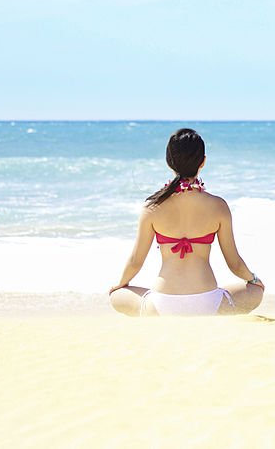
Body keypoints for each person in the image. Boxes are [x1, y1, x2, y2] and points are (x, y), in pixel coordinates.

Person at [108, 128, 264, 316]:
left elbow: (135, 262)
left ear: (169, 162)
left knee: (116, 295)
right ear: (203, 162)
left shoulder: (152, 207)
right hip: (209, 303)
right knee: (256, 291)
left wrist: (120, 284)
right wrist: (254, 279)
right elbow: (235, 264)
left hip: (161, 304)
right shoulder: (219, 206)